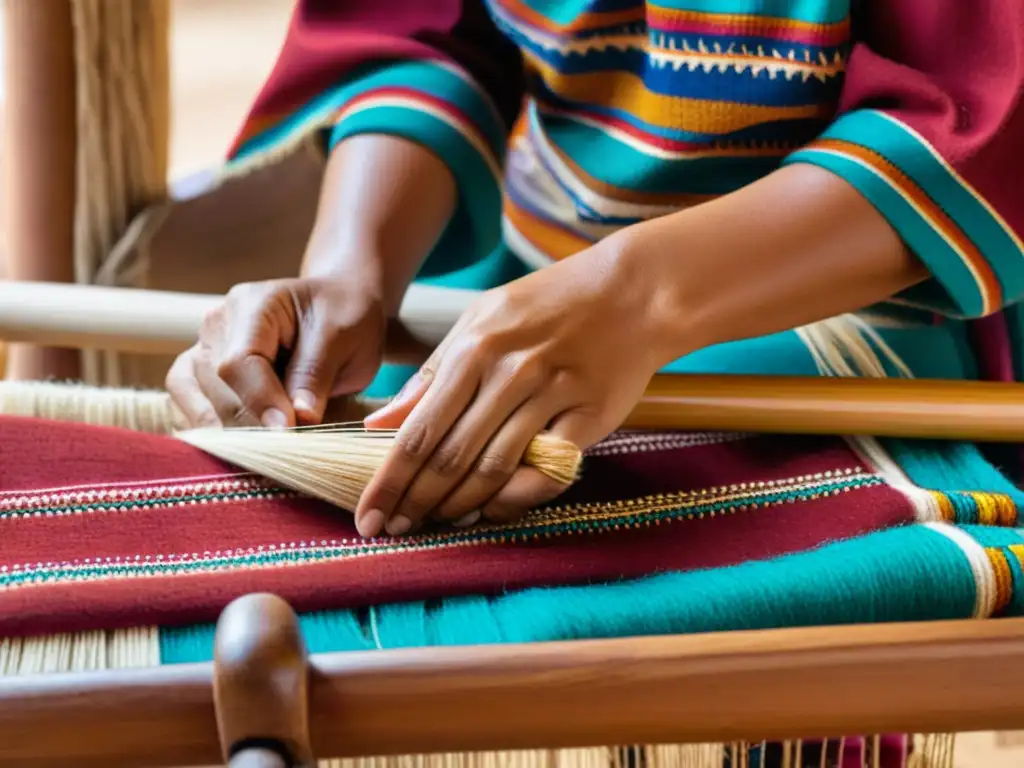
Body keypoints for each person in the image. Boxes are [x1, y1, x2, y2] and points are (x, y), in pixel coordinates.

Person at [166, 0, 1023, 547]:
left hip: (857, 307)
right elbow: (424, 30)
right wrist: (351, 274)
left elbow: (975, 108)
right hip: (524, 286)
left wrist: (636, 296)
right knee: (350, 449)